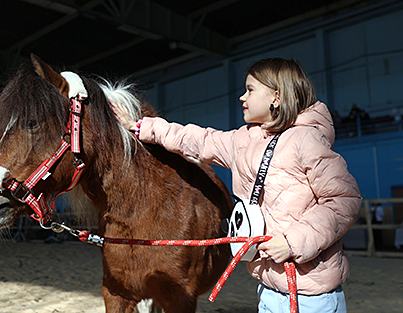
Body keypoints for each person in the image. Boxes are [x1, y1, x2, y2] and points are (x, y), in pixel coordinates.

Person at [112, 58, 362, 313]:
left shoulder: (306, 140)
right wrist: (141, 126)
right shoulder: (242, 141)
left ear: (276, 96)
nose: (242, 97)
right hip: (267, 287)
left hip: (311, 294)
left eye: (251, 90)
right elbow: (197, 139)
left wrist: (293, 243)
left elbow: (344, 201)